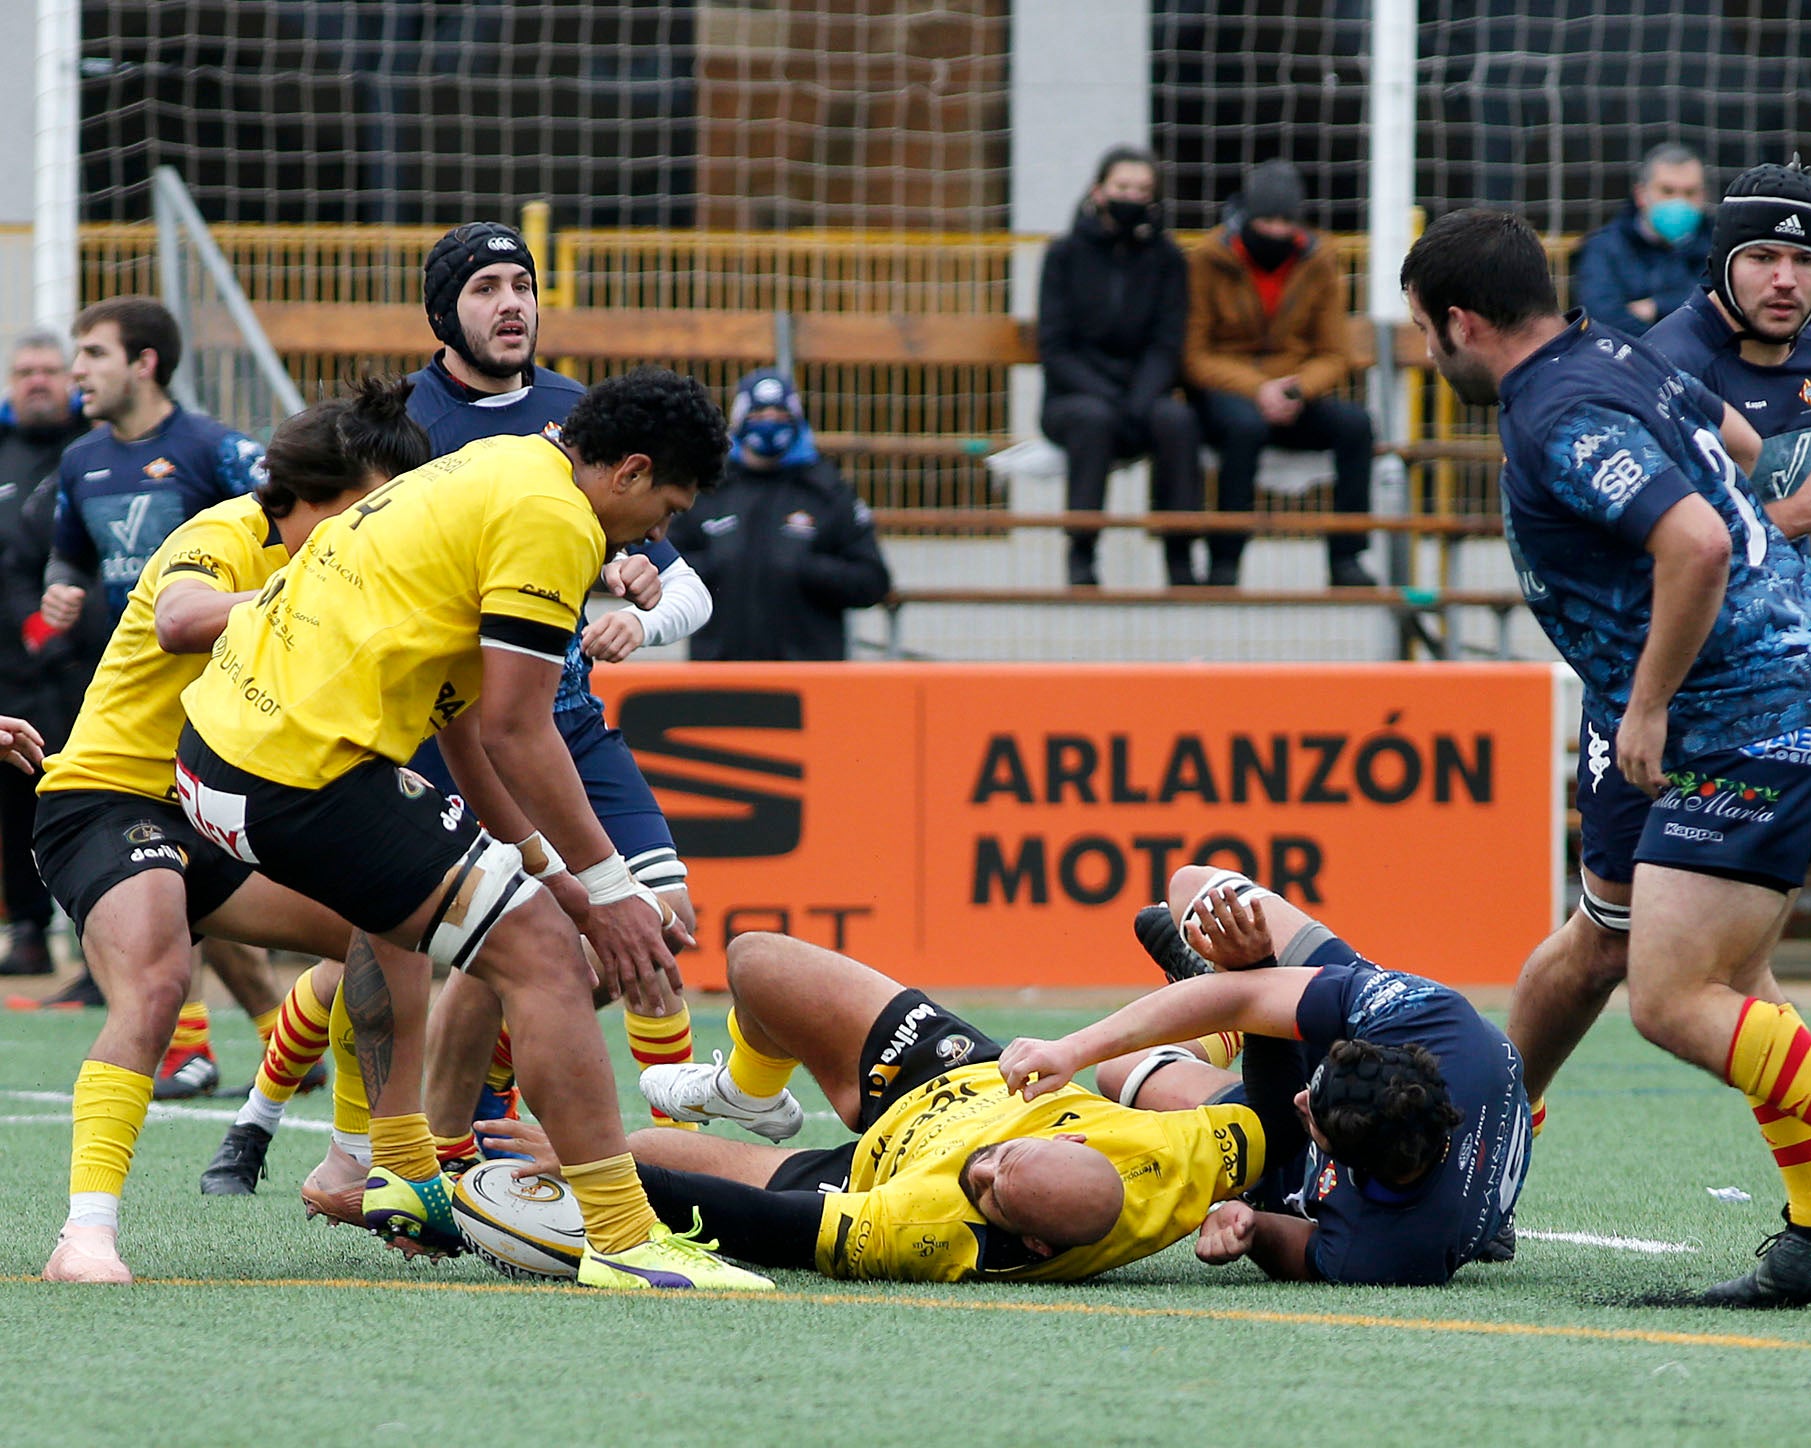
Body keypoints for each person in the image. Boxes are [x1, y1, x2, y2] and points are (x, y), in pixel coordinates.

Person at [1401, 207, 1811, 1306]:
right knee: (1717, 973)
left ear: (1461, 322)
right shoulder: (1611, 351)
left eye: (1421, 334)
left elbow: (1700, 536)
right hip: (1796, 672)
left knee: (1667, 996)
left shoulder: (1559, 407)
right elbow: (1729, 443)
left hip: (1733, 706)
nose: (1423, 356)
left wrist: (1646, 704)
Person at [174, 367, 771, 1292]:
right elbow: (519, 730)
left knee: (434, 921)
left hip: (223, 750)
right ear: (631, 470)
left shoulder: (499, 467)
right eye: (665, 507)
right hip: (294, 767)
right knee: (543, 954)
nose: (655, 535)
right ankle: (620, 1235)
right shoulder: (557, 521)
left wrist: (554, 870)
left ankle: (401, 1171)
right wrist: (607, 896)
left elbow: (462, 719)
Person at [30, 381, 442, 1283]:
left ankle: (355, 1158)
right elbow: (179, 621)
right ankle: (85, 1233)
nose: (368, 530)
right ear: (315, 496)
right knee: (161, 974)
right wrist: (305, 592)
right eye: (361, 509)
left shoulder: (350, 565)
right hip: (106, 797)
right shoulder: (225, 534)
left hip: (221, 805)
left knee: (393, 927)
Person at [397, 220, 715, 1180]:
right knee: (435, 953)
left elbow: (683, 584)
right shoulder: (406, 426)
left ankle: (669, 1155)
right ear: (444, 310)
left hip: (562, 722)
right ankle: (396, 1154)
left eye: (523, 285)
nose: (513, 304)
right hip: (444, 730)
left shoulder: (588, 417)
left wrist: (641, 616)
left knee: (645, 926)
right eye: (488, 286)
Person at [486, 926, 1264, 1282]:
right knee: (757, 961)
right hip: (958, 1071)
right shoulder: (1174, 1164)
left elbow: (761, 1225)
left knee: (639, 1158)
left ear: (1031, 1250)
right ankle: (748, 1092)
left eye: (989, 1192)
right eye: (1005, 1157)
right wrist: (1260, 1219)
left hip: (867, 1172)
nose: (981, 1168)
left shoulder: (929, 1232)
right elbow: (1282, 1120)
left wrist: (597, 1159)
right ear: (1084, 1146)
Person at [1003, 865, 1529, 1285]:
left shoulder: (1386, 1252)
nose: (1304, 1100)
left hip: (1294, 1154)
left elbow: (1294, 1243)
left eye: (1315, 1115)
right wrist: (1071, 1049)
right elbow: (1247, 998)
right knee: (1194, 889)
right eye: (1314, 1092)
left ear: (1352, 1168)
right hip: (1396, 1033)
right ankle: (1240, 1013)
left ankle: (1236, 1022)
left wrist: (1246, 1230)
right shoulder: (1440, 1024)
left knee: (1120, 1073)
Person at [36, 297, 282, 1070]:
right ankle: (228, 1042)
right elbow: (69, 554)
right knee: (171, 873)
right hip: (135, 695)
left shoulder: (218, 451)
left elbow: (292, 513)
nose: (79, 370)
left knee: (192, 873)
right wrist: (61, 592)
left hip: (222, 699)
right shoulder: (81, 461)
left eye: (93, 354)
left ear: (144, 363)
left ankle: (258, 1037)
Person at [1184, 160, 1376, 588]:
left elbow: (1333, 352)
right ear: (1246, 217)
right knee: (1243, 427)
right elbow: (1195, 356)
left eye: (1285, 221)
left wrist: (1297, 389)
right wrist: (1257, 389)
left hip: (1293, 395)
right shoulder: (1207, 259)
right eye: (1266, 220)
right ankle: (1225, 562)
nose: (1275, 231)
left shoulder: (1320, 260)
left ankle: (1347, 558)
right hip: (1228, 393)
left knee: (1356, 426)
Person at [1036, 146, 1202, 587]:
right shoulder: (1063, 255)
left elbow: (1167, 344)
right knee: (1093, 420)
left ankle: (1180, 558)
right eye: (1123, 187)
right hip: (1076, 400)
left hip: (1143, 397)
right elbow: (1054, 348)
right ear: (1099, 190)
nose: (1132, 196)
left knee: (1178, 420)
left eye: (1143, 189)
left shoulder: (1168, 260)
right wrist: (1107, 395)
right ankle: (1082, 555)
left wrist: (1140, 397)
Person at [667, 370, 891, 660]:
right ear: (739, 420)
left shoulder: (827, 492)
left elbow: (872, 581)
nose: (769, 423)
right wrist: (720, 564)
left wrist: (805, 567)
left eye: (779, 415)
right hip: (720, 675)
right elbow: (666, 564)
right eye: (759, 415)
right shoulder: (709, 490)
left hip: (808, 677)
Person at [0, 330, 93, 978]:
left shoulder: (94, 450)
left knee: (85, 800)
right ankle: (27, 933)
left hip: (84, 667)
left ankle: (97, 953)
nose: (36, 380)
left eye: (48, 370)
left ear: (68, 378)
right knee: (11, 801)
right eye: (24, 371)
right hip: (8, 666)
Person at [1571, 144, 1713, 337]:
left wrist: (1656, 307)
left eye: (1689, 193)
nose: (1679, 202)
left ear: (1703, 196)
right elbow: (1601, 318)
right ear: (1640, 195)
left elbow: (1720, 308)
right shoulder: (1603, 246)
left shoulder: (1718, 246)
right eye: (1667, 191)